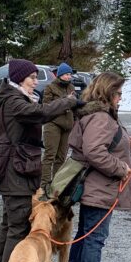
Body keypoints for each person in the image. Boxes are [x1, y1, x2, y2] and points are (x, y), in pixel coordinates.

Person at [0, 59, 78, 262]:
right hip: (16, 173)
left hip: (16, 171)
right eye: (32, 77)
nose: (36, 82)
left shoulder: (14, 97)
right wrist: (69, 102)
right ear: (19, 79)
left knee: (8, 227)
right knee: (17, 230)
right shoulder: (15, 101)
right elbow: (41, 113)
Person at [65, 71, 131, 262]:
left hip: (95, 187)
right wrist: (121, 168)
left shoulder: (95, 114)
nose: (121, 98)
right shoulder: (101, 117)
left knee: (85, 236)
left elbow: (99, 145)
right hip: (100, 188)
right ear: (107, 93)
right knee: (94, 240)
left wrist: (124, 142)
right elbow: (95, 151)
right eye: (118, 93)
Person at [41, 62, 77, 190]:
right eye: (66, 74)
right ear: (60, 75)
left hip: (67, 126)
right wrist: (66, 99)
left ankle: (56, 186)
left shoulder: (71, 87)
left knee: (61, 158)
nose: (69, 77)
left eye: (70, 74)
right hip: (53, 124)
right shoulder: (50, 87)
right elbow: (47, 106)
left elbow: (74, 105)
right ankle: (44, 186)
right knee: (49, 156)